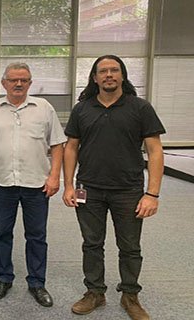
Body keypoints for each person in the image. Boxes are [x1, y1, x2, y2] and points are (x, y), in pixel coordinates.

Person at [63, 55, 165, 320]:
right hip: (89, 189)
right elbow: (71, 147)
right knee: (91, 244)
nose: (109, 75)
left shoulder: (140, 108)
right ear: (94, 78)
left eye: (114, 70)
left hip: (128, 190)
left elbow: (155, 150)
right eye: (103, 71)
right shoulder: (82, 109)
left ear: (122, 75)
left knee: (130, 246)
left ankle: (130, 295)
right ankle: (95, 292)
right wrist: (68, 185)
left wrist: (152, 194)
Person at [0, 63, 65, 308]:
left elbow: (57, 144)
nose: (18, 84)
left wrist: (55, 176)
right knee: (2, 234)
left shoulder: (44, 108)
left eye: (23, 80)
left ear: (30, 83)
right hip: (3, 182)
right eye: (13, 80)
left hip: (37, 184)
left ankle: (37, 282)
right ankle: (3, 278)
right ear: (4, 83)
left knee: (36, 236)